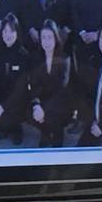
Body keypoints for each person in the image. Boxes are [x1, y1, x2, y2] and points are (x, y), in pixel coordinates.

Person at [25, 19, 71, 147]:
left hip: (60, 103)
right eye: (43, 37)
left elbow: (62, 90)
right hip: (42, 102)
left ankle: (57, 132)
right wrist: (37, 106)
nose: (46, 41)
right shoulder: (35, 58)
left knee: (56, 112)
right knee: (30, 111)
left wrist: (44, 110)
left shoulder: (65, 59)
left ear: (56, 38)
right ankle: (45, 131)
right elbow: (33, 86)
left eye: (50, 37)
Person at [0, 14, 29, 144]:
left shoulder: (23, 54)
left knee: (6, 119)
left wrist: (0, 109)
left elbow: (20, 90)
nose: (7, 35)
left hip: (16, 101)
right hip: (1, 97)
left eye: (11, 31)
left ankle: (16, 128)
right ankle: (4, 125)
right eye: (4, 31)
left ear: (17, 32)